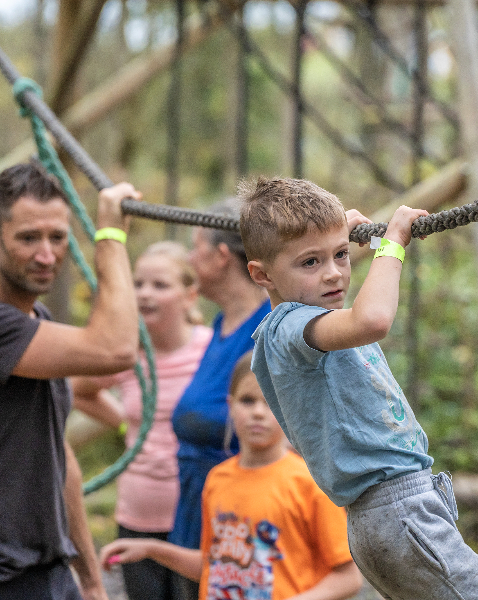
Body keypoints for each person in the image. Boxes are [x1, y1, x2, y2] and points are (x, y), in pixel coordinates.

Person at [239, 176, 478, 600]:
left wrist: (334, 237)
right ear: (262, 275)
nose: (334, 273)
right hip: (397, 513)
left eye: (341, 256)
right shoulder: (290, 327)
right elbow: (372, 320)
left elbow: (328, 288)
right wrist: (393, 243)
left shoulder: (306, 318)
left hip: (390, 515)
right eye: (310, 263)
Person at [0, 161, 142, 600]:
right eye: (28, 238)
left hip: (49, 576)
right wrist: (112, 239)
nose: (46, 255)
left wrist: (92, 579)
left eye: (58, 237)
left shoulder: (38, 320)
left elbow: (60, 460)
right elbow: (116, 348)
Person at [99, 352, 362, 600]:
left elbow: (349, 578)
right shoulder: (217, 479)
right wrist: (151, 550)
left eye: (271, 402)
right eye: (247, 400)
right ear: (231, 405)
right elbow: (213, 565)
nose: (258, 412)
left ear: (290, 409)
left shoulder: (308, 482)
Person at [71, 241, 212, 600]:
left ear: (190, 295)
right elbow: (79, 390)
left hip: (197, 516)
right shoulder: (125, 353)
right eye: (138, 284)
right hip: (137, 517)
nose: (145, 294)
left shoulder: (211, 350)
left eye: (160, 285)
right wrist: (123, 423)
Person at [169, 198, 271, 600]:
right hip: (195, 505)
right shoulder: (221, 323)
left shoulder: (264, 328)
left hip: (242, 518)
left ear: (221, 256)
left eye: (196, 247)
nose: (190, 258)